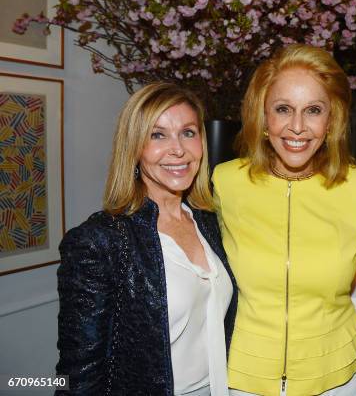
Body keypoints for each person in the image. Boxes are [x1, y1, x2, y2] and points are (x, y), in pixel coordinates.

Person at [212, 44, 356, 396]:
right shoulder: (224, 182)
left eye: (313, 110)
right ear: (262, 116)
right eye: (283, 109)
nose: (298, 127)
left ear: (331, 119)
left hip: (336, 377)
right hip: (241, 376)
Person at [56, 83, 237, 396]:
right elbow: (79, 372)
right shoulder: (100, 242)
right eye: (158, 135)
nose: (178, 149)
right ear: (134, 148)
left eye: (188, 132)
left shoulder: (209, 222)